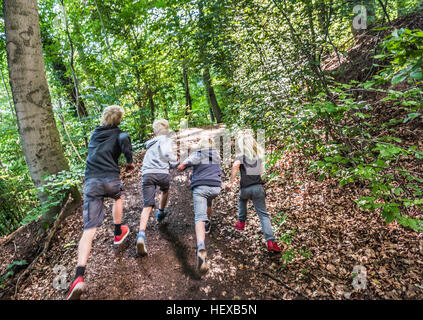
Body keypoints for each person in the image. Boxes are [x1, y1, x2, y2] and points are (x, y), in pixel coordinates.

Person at [67, 105, 134, 300]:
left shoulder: (95, 135)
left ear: (104, 117)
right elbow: (123, 139)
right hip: (111, 179)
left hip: (92, 182)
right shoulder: (120, 134)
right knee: (117, 197)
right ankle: (117, 232)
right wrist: (129, 161)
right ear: (119, 120)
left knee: (89, 230)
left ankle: (78, 277)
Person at [226, 131, 281, 253]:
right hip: (258, 188)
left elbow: (235, 166)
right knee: (263, 215)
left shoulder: (240, 157)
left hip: (245, 189)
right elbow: (262, 172)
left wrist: (231, 181)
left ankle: (241, 221)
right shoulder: (258, 157)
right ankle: (271, 241)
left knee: (242, 199)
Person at [177, 136, 222, 273]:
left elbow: (182, 166)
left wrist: (181, 165)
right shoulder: (217, 156)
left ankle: (201, 247)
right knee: (208, 201)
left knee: (199, 217)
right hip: (215, 188)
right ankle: (207, 224)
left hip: (201, 188)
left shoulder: (198, 154)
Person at [136, 119, 178, 256]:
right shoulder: (166, 140)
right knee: (165, 190)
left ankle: (141, 235)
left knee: (147, 205)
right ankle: (160, 212)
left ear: (155, 132)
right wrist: (174, 163)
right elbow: (167, 155)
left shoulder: (150, 144)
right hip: (161, 173)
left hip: (147, 173)